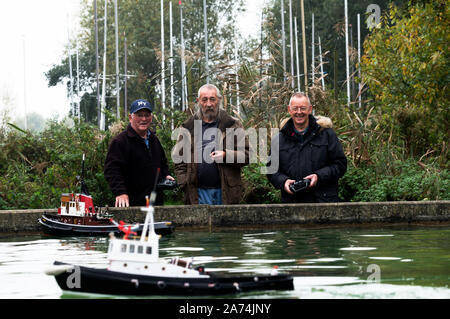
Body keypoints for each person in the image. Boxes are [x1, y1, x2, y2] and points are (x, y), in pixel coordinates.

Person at [172, 84, 249, 205]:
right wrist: (184, 183)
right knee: (200, 224)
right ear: (198, 101)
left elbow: (247, 155)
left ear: (219, 100)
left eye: (212, 99)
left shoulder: (232, 124)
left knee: (225, 223)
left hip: (226, 191)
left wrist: (225, 155)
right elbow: (178, 160)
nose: (209, 104)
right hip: (197, 192)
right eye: (204, 99)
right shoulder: (188, 127)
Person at [267, 92, 347, 203]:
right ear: (289, 110)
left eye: (303, 108)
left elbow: (340, 165)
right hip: (292, 204)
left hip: (324, 203)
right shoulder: (279, 139)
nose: (299, 112)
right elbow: (271, 170)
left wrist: (319, 176)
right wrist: (284, 182)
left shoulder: (327, 134)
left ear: (310, 109)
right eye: (295, 108)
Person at [104, 99, 174, 207]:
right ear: (130, 117)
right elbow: (112, 170)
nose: (144, 119)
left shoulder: (154, 140)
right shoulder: (120, 142)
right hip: (131, 204)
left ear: (151, 117)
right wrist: (120, 192)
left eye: (147, 115)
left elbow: (162, 163)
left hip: (155, 202)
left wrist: (165, 175)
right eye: (139, 115)